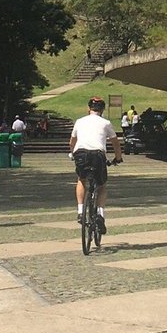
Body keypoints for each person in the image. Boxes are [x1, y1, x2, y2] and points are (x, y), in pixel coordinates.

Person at [69, 96, 123, 234]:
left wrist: (72, 154)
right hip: (98, 155)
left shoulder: (79, 121)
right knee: (102, 185)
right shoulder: (106, 123)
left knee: (81, 179)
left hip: (80, 153)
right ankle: (100, 213)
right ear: (102, 110)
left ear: (88, 109)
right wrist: (118, 158)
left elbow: (72, 141)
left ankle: (81, 210)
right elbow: (115, 142)